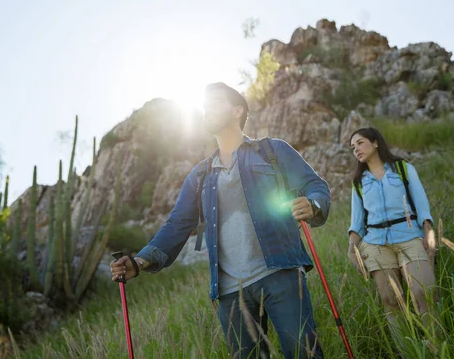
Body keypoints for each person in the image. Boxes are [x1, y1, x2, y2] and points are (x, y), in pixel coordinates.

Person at [111, 82, 331, 359]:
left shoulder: (272, 151)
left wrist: (312, 204)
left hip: (280, 275)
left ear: (237, 110)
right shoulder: (199, 176)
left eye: (215, 102)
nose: (207, 110)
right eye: (204, 106)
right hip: (229, 293)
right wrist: (139, 262)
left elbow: (316, 186)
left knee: (304, 354)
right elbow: (177, 225)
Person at [347, 127, 438, 334]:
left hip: (410, 236)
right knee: (391, 301)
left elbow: (422, 205)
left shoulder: (403, 169)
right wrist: (352, 248)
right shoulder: (358, 182)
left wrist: (429, 235)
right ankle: (408, 352)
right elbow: (357, 221)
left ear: (376, 142)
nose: (356, 149)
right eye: (353, 147)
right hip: (376, 245)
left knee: (424, 292)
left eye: (360, 143)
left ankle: (435, 347)